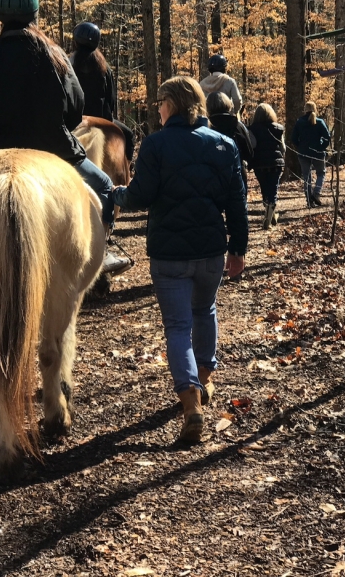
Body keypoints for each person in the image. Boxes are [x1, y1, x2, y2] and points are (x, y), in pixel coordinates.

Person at [113, 77, 248, 443]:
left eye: (159, 102)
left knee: (177, 325)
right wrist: (238, 249)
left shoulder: (156, 145)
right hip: (210, 251)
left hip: (169, 254)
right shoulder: (225, 145)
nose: (156, 109)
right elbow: (237, 202)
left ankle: (191, 404)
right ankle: (204, 380)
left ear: (171, 103)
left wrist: (116, 195)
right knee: (205, 311)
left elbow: (140, 196)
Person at [0, 0, 131, 277]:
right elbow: (75, 107)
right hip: (55, 150)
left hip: (3, 152)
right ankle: (102, 249)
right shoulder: (54, 54)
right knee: (105, 185)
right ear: (34, 12)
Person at [70, 21, 135, 162]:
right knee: (129, 136)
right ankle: (128, 173)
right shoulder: (104, 68)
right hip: (102, 120)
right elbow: (111, 100)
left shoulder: (68, 64)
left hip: (73, 122)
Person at [249, 103, 285, 230]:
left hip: (259, 164)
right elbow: (283, 148)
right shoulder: (278, 128)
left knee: (265, 189)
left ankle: (270, 215)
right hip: (275, 163)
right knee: (273, 189)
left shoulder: (251, 129)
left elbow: (252, 145)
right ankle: (269, 219)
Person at [206, 91, 256, 177]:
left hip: (210, 175)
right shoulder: (238, 125)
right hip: (237, 173)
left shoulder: (204, 126)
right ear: (228, 104)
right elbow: (249, 152)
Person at [291, 101, 331, 207]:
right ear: (315, 109)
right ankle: (316, 193)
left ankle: (309, 200)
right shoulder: (320, 122)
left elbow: (293, 139)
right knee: (321, 173)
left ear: (305, 109)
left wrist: (300, 146)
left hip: (303, 153)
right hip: (318, 153)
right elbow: (327, 137)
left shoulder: (299, 122)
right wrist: (322, 147)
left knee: (306, 176)